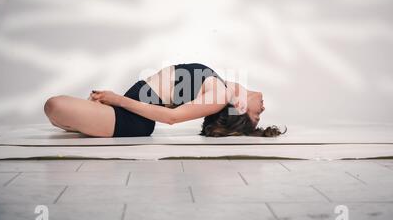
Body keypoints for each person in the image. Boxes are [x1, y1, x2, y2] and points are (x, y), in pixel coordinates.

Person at [44, 63, 286, 137]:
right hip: (130, 110)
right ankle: (84, 124)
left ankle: (84, 122)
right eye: (260, 113)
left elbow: (171, 118)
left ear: (239, 109)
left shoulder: (221, 95)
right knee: (59, 117)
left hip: (133, 120)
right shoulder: (225, 88)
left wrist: (117, 99)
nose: (263, 108)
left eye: (258, 114)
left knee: (53, 105)